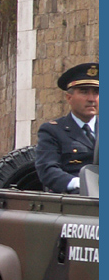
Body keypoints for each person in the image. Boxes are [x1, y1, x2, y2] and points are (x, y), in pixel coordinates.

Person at [35, 62, 99, 193]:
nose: (91, 99)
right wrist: (79, 183)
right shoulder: (53, 131)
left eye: (96, 92)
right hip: (74, 199)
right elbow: (47, 170)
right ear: (69, 98)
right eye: (84, 92)